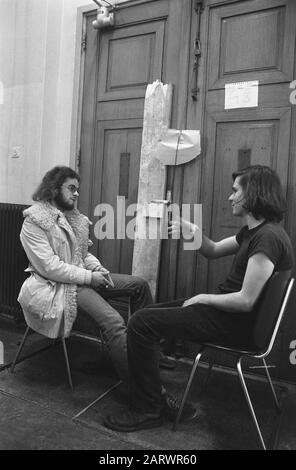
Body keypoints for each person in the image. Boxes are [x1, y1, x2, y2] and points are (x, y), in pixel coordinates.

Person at [104, 165, 294, 432]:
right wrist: (190, 229)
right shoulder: (257, 232)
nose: (230, 197)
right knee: (146, 316)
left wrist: (203, 297)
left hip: (236, 324)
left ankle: (147, 409)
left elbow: (246, 301)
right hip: (228, 316)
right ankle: (155, 396)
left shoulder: (268, 238)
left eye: (235, 190)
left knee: (139, 323)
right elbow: (213, 250)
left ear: (253, 193)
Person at [18, 166, 153, 384]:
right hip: (58, 286)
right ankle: (144, 393)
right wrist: (90, 277)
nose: (76, 194)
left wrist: (97, 268)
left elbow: (83, 254)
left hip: (81, 277)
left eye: (77, 189)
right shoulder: (33, 222)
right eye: (71, 188)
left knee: (139, 285)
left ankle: (149, 354)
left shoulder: (73, 218)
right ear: (53, 188)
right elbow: (50, 268)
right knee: (114, 322)